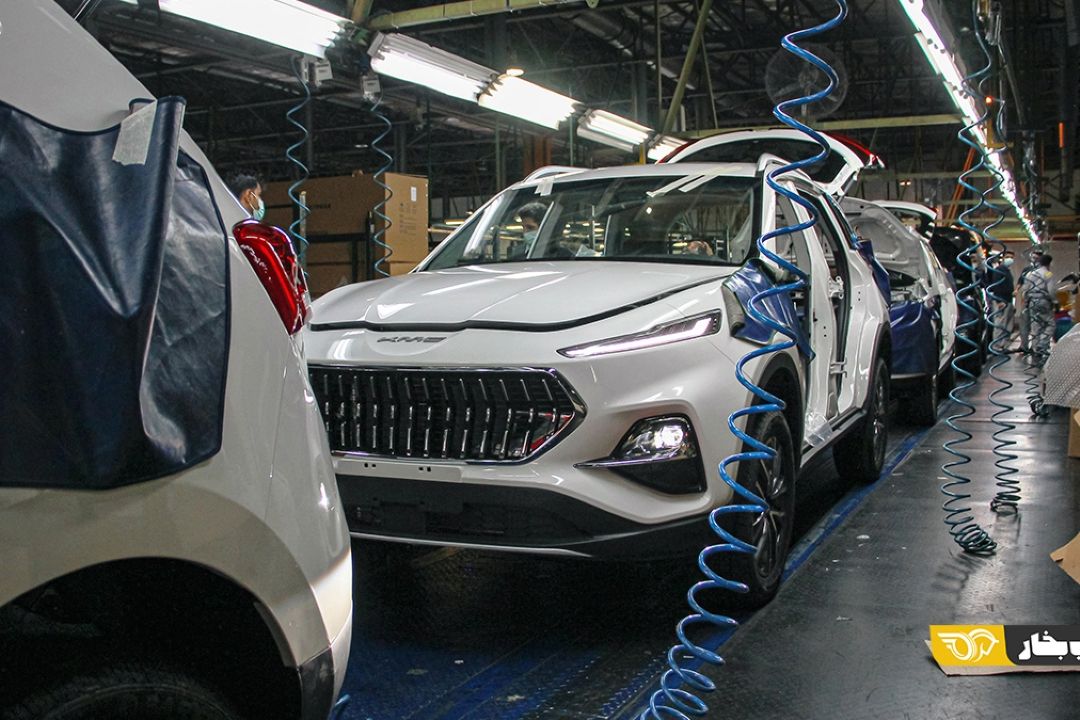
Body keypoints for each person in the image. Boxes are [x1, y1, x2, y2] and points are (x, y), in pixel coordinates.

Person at [1020, 253, 1055, 364]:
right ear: (1049, 263)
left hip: (1032, 302)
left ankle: (1035, 350)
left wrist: (1026, 303)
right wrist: (1055, 302)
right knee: (1050, 324)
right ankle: (1042, 345)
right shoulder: (1048, 274)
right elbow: (1051, 291)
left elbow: (1025, 290)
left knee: (1035, 325)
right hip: (1043, 301)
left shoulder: (1031, 274)